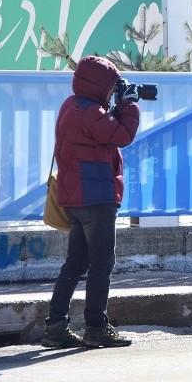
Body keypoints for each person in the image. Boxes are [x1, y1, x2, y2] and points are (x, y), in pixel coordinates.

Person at [41, 55, 141, 349]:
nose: (113, 91)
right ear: (99, 85)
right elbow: (123, 134)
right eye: (111, 86)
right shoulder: (91, 112)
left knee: (76, 262)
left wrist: (116, 105)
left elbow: (103, 133)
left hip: (76, 198)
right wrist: (130, 104)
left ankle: (55, 327)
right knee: (101, 262)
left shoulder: (72, 106)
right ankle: (96, 326)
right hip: (95, 199)